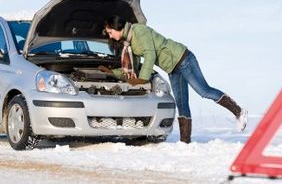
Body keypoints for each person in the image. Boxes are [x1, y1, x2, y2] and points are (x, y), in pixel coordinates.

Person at [99, 15, 247, 143]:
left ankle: (239, 111)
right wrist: (112, 72)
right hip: (172, 68)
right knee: (182, 103)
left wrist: (143, 79)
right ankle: (185, 142)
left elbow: (150, 55)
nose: (110, 36)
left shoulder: (139, 31)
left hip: (183, 59)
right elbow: (134, 67)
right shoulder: (129, 43)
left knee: (204, 91)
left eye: (110, 32)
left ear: (117, 27)